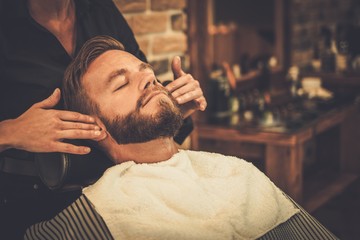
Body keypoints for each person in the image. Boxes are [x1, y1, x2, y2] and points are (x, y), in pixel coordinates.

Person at [25, 36, 338, 239]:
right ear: (95, 126)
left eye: (147, 72)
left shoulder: (236, 172)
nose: (148, 79)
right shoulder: (99, 215)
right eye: (121, 85)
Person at [0, 0, 205, 238]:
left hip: (121, 182)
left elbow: (138, 88)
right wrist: (10, 132)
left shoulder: (100, 9)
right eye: (119, 84)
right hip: (31, 199)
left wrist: (170, 105)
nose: (149, 79)